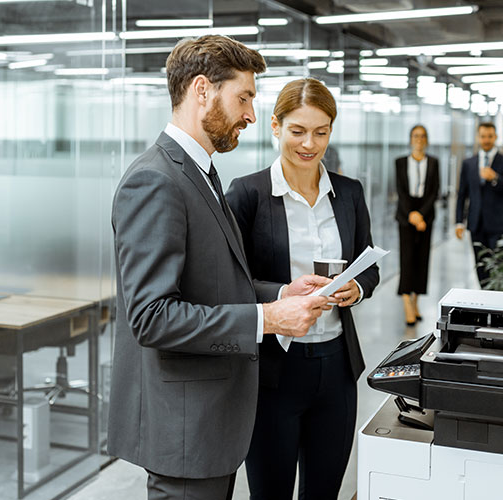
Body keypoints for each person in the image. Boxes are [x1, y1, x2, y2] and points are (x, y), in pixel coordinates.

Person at [108, 36, 334, 500]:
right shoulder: (156, 180)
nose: (252, 115)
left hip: (212, 427)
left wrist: (279, 295)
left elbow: (214, 282)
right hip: (186, 432)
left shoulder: (202, 173)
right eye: (244, 97)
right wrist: (268, 320)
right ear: (202, 91)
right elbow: (152, 318)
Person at [226, 78, 380, 500]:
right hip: (274, 372)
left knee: (324, 492)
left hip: (337, 369)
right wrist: (281, 294)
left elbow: (368, 268)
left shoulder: (349, 194)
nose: (309, 143)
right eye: (297, 131)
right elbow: (228, 282)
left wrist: (357, 289)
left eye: (321, 132)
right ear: (275, 126)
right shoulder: (248, 194)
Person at [455, 122, 503, 286]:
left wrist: (496, 179)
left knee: (498, 269)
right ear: (478, 138)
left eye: (490, 136)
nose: (486, 140)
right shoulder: (468, 163)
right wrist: (459, 222)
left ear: (496, 137)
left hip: (498, 225)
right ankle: (484, 305)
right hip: (476, 225)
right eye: (483, 136)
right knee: (481, 269)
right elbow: (462, 194)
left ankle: (496, 306)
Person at [395, 125, 440, 325]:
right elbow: (400, 190)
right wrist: (412, 214)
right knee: (407, 258)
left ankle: (416, 301)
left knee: (422, 259)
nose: (419, 139)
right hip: (406, 214)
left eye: (423, 136)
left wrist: (421, 215)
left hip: (426, 213)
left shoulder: (434, 162)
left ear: (427, 140)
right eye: (415, 136)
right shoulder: (400, 162)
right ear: (410, 139)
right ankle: (406, 302)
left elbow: (434, 192)